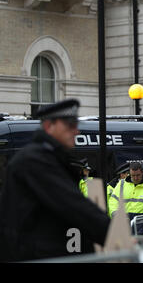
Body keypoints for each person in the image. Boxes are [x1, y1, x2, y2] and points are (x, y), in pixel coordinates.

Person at [0, 99, 110, 261]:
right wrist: (114, 234)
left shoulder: (51, 158)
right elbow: (73, 205)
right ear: (48, 126)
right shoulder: (36, 160)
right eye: (70, 125)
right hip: (35, 255)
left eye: (76, 125)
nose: (76, 131)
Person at [108, 162, 143, 235]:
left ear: (142, 173)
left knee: (141, 245)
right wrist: (115, 213)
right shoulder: (122, 184)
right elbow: (113, 200)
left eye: (138, 175)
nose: (135, 178)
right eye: (133, 175)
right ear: (129, 173)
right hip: (126, 222)